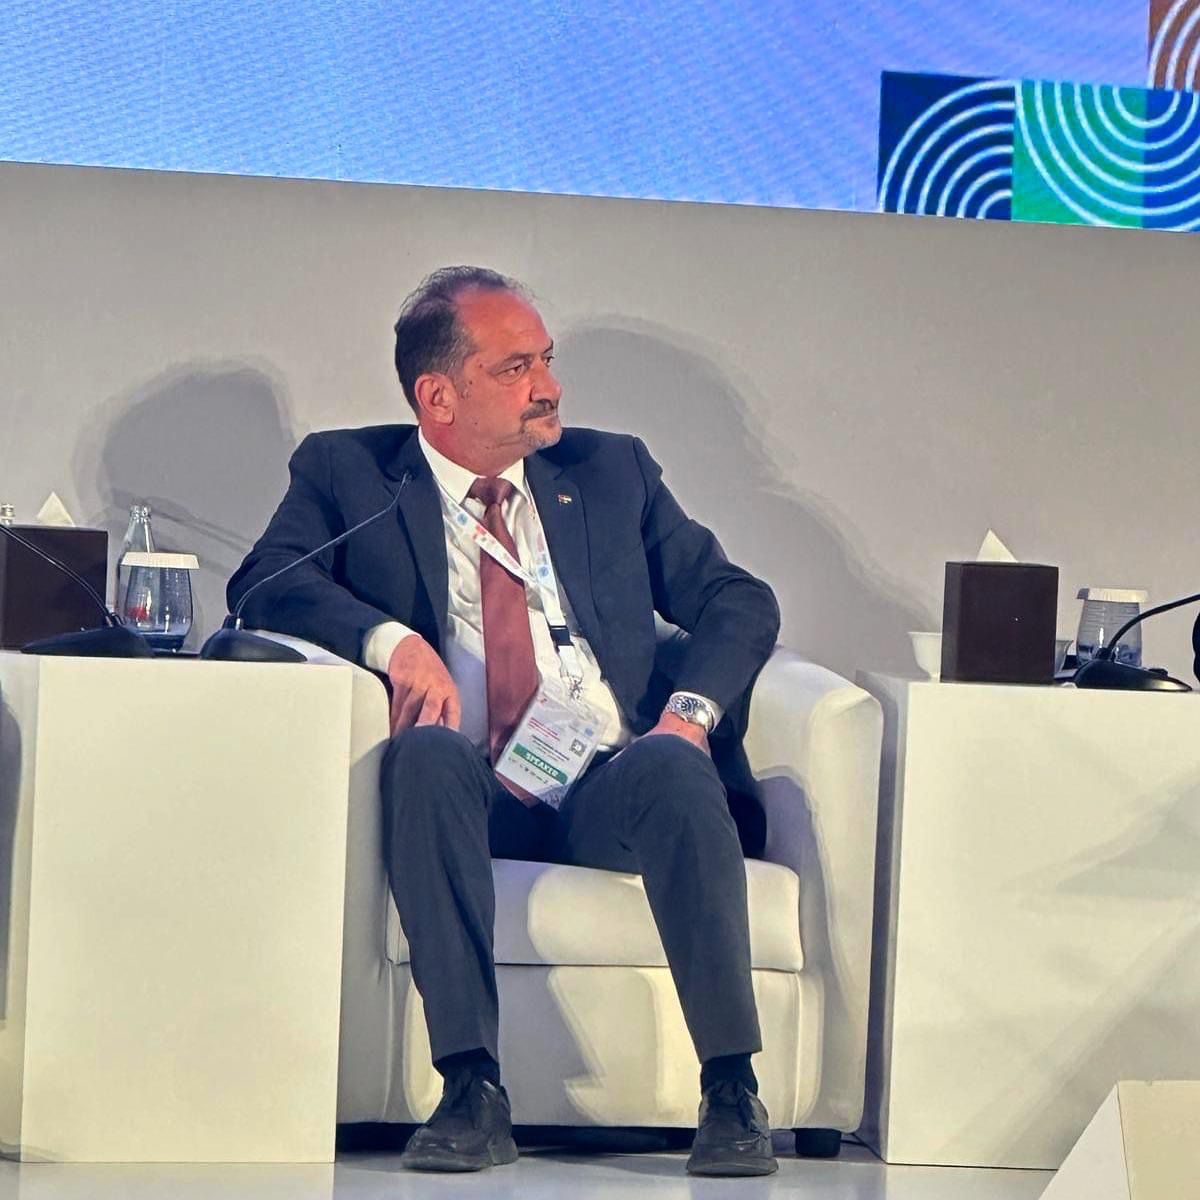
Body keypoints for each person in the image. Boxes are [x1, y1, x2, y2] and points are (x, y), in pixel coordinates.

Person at [229, 266, 782, 1177]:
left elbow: (739, 600)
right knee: (425, 757)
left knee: (677, 766)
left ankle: (731, 1089)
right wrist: (393, 643)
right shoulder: (350, 473)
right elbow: (263, 582)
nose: (548, 386)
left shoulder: (609, 471)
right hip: (471, 787)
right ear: (438, 397)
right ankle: (471, 1090)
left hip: (606, 782)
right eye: (516, 368)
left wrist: (688, 715)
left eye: (547, 361)